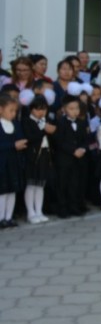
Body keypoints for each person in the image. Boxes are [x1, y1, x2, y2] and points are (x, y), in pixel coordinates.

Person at [53, 94, 89, 219]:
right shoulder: (60, 122)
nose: (75, 111)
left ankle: (74, 206)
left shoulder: (81, 122)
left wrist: (83, 148)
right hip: (64, 159)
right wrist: (73, 150)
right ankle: (62, 208)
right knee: (62, 184)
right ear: (64, 109)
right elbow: (59, 141)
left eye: (77, 108)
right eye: (71, 108)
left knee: (75, 183)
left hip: (78, 159)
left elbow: (85, 139)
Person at [20, 91, 54, 224]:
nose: (41, 112)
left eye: (44, 109)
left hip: (44, 155)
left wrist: (50, 130)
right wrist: (43, 129)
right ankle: (31, 212)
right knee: (31, 185)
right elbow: (30, 138)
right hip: (32, 156)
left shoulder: (46, 120)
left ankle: (39, 211)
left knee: (40, 185)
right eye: (38, 109)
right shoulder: (27, 121)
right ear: (31, 109)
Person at [0, 94, 26, 229]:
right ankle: (1, 218)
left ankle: (8, 217)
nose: (13, 114)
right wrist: (13, 145)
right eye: (10, 110)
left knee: (12, 190)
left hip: (14, 162)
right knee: (2, 191)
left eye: (15, 111)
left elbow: (20, 137)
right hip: (2, 163)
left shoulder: (15, 124)